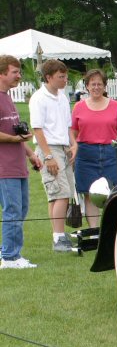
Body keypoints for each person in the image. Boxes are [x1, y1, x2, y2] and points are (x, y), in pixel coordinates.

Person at [0, 55, 44, 268]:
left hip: (18, 165)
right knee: (12, 211)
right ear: (2, 73)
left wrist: (31, 154)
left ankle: (7, 252)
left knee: (22, 209)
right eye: (15, 72)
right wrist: (15, 139)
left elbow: (16, 133)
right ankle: (10, 257)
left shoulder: (8, 98)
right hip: (4, 167)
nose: (19, 75)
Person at [29, 59, 77, 252]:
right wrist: (48, 156)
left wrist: (73, 145)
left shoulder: (63, 97)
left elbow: (67, 126)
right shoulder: (39, 98)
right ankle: (59, 239)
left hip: (63, 147)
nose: (65, 80)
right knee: (61, 193)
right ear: (48, 77)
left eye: (65, 76)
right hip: (48, 148)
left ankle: (58, 235)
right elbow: (37, 129)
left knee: (58, 195)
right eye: (60, 77)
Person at [71, 69, 117, 227]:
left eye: (99, 84)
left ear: (105, 87)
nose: (96, 87)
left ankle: (112, 228)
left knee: (113, 192)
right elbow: (73, 132)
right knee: (90, 194)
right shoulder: (79, 107)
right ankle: (94, 230)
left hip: (110, 152)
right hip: (86, 154)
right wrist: (73, 148)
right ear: (87, 86)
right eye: (92, 84)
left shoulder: (115, 106)